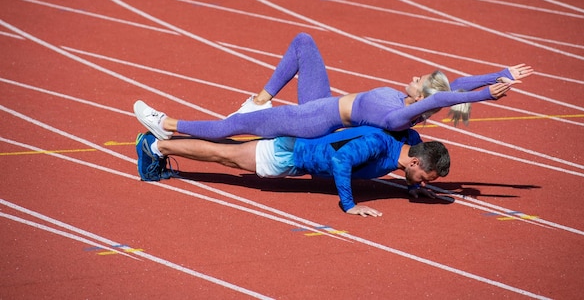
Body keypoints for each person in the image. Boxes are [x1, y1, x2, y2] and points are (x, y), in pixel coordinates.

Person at [134, 32, 533, 141]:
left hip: (310, 120)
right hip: (323, 102)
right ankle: (259, 99)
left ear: (422, 97)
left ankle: (166, 124)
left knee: (232, 127)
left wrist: (483, 97)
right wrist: (500, 74)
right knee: (304, 43)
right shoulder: (415, 101)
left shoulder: (401, 114)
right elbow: (455, 84)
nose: (412, 77)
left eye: (418, 81)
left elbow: (450, 94)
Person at [135, 125, 450, 217]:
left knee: (230, 148)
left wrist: (411, 187)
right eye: (424, 177)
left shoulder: (408, 143)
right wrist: (350, 205)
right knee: (226, 157)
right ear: (414, 164)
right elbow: (342, 161)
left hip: (297, 153)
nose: (423, 183)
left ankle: (164, 145)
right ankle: (156, 146)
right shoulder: (380, 145)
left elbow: (416, 137)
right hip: (292, 155)